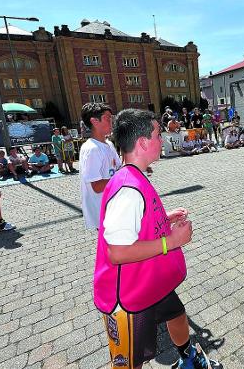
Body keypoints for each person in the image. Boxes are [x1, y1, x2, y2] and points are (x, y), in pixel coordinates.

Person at [93, 109, 221, 369]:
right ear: (142, 143)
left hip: (148, 279)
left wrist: (164, 217)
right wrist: (172, 241)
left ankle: (188, 359)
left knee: (176, 313)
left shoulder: (135, 176)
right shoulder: (128, 189)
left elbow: (139, 221)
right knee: (128, 364)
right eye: (157, 135)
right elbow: (116, 252)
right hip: (127, 295)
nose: (162, 140)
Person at [79, 102, 122, 230]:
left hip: (114, 206)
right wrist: (123, 179)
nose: (111, 121)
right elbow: (97, 186)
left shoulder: (108, 144)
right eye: (107, 118)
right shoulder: (92, 149)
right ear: (94, 121)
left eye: (111, 118)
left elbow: (118, 169)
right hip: (103, 211)